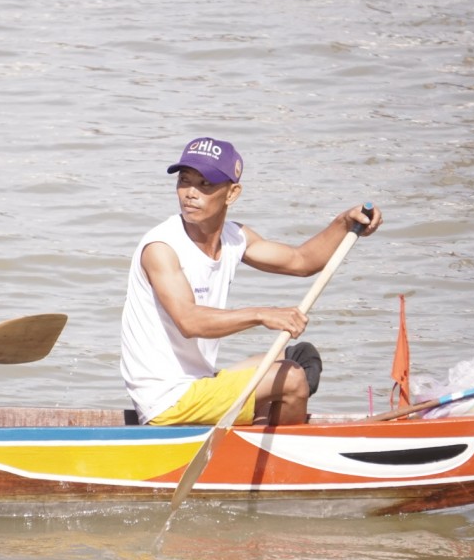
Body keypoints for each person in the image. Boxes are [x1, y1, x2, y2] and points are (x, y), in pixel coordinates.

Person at [120, 137, 382, 426]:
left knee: (299, 357)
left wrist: (345, 223)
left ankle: (260, 425)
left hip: (200, 382)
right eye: (184, 181)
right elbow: (189, 321)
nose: (190, 193)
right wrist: (262, 314)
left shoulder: (235, 238)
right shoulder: (162, 247)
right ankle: (279, 456)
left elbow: (302, 261)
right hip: (167, 399)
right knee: (292, 379)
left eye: (205, 184)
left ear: (232, 194)